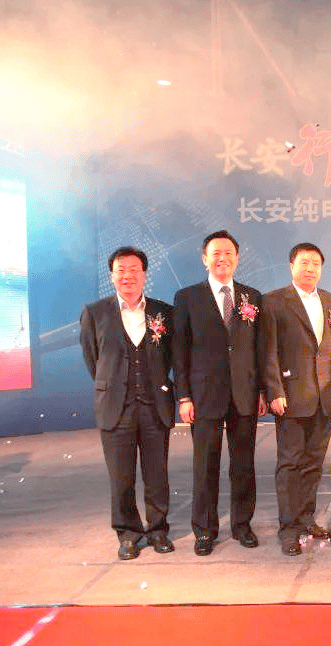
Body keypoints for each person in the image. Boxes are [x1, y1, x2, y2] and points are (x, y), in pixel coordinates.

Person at [79, 247, 176, 560]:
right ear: (111, 276)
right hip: (115, 407)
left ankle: (158, 530)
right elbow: (93, 359)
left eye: (134, 270)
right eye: (121, 270)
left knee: (157, 474)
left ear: (144, 274)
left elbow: (171, 356)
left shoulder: (163, 312)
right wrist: (114, 384)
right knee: (121, 477)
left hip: (154, 405)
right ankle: (128, 533)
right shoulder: (95, 313)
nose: (127, 276)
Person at [261, 243, 331, 556]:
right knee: (290, 464)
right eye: (304, 262)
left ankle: (306, 519)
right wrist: (274, 391)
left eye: (315, 263)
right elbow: (268, 351)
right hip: (290, 397)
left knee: (314, 463)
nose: (310, 268)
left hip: (324, 396)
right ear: (292, 266)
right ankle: (288, 529)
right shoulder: (274, 301)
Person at [173, 231, 265, 556]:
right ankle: (204, 530)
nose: (222, 258)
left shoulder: (253, 297)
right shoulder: (187, 297)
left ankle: (242, 525)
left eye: (228, 253)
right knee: (205, 466)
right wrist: (183, 396)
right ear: (204, 259)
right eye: (216, 253)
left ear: (237, 258)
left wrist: (262, 390)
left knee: (243, 465)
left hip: (244, 393)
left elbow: (260, 348)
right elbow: (179, 351)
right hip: (203, 395)